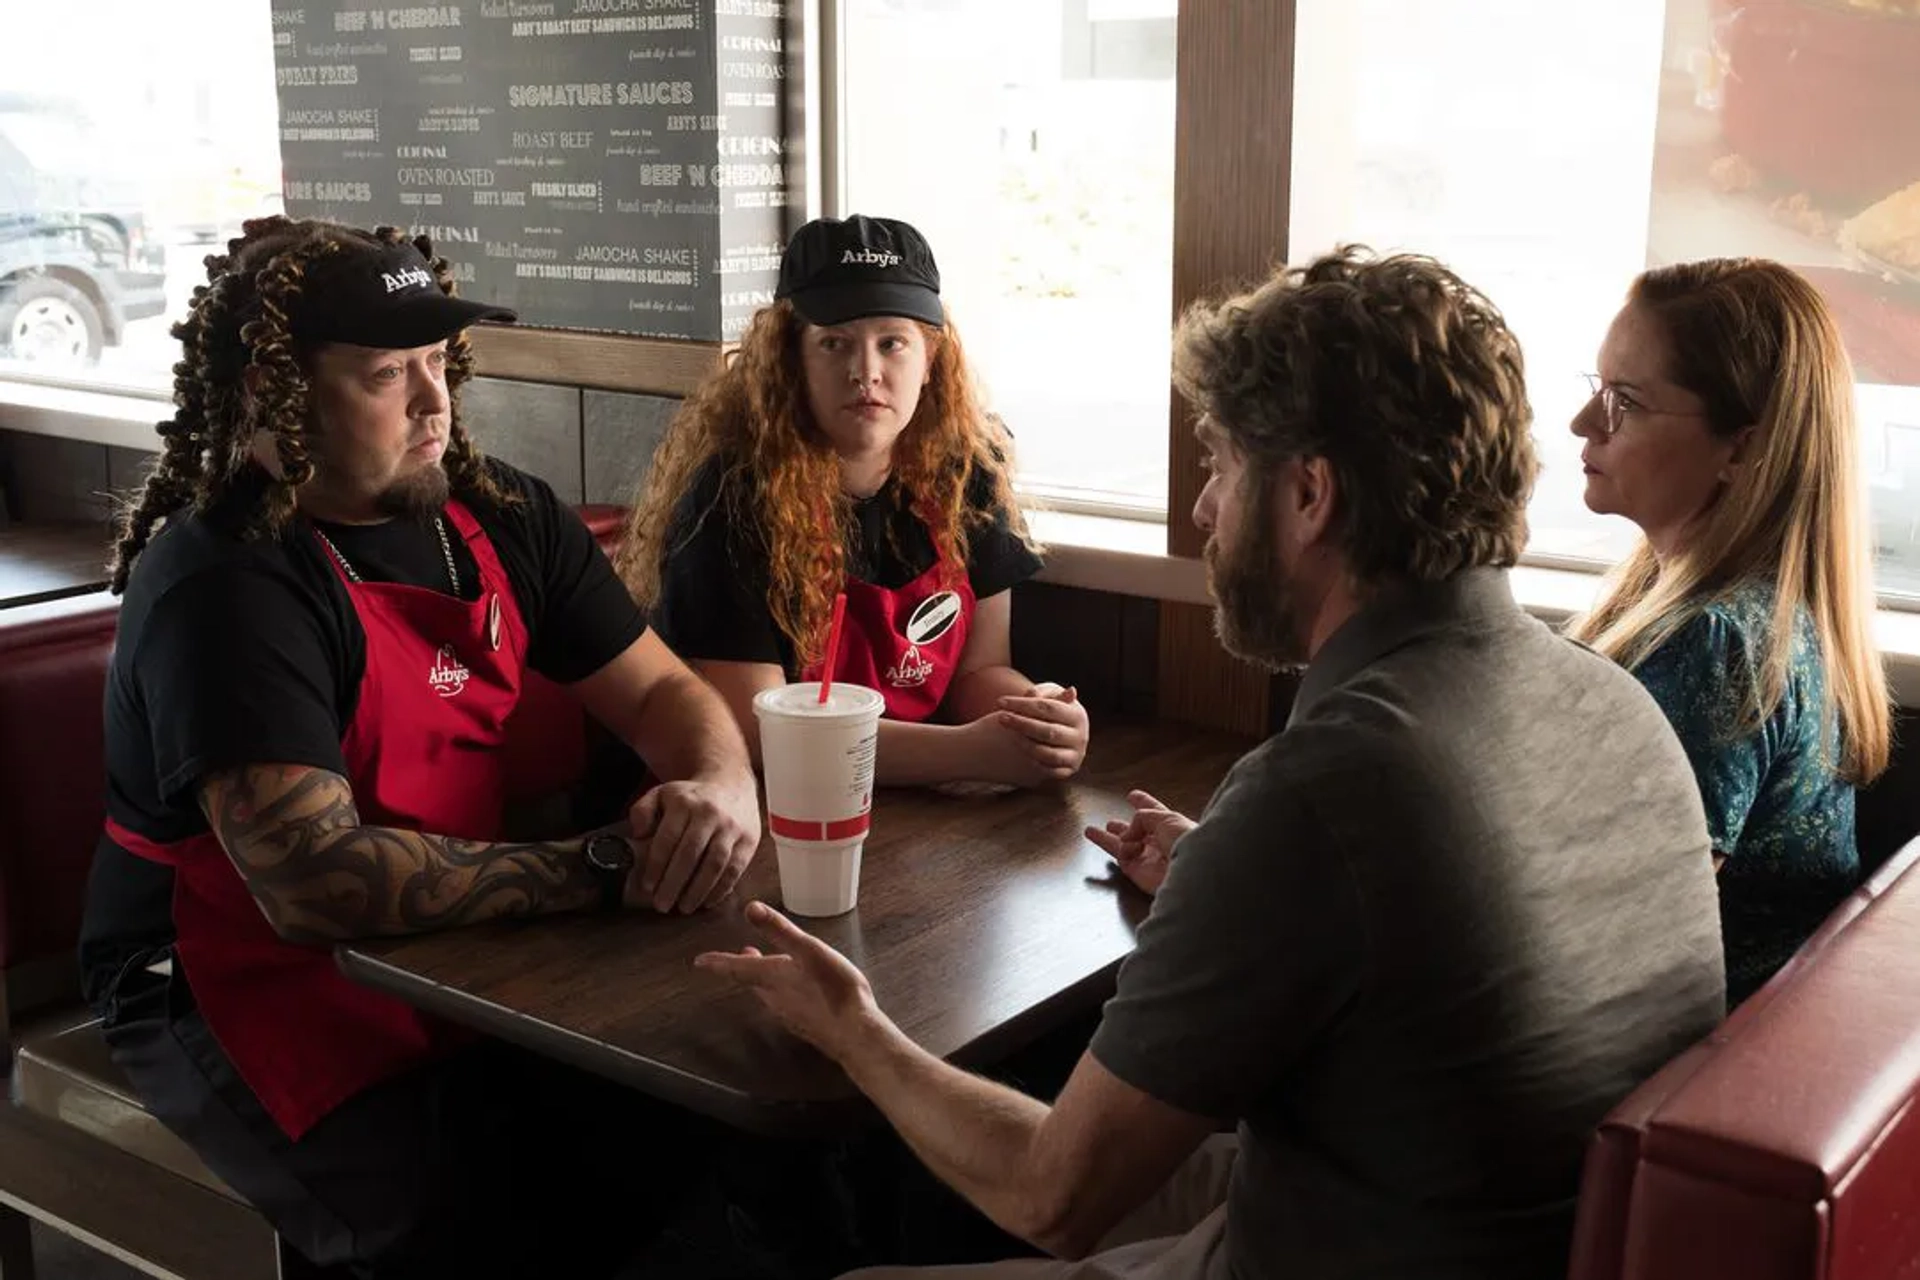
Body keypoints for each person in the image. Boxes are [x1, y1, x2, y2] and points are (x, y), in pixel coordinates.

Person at [696, 248, 1728, 1280]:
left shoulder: (1322, 792)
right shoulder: (1618, 706)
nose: (1203, 511)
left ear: (1310, 493)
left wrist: (854, 1029)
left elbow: (1051, 1193)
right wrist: (1217, 868)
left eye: (1225, 468)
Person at [80, 217, 762, 1278]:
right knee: (456, 1224)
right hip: (222, 971)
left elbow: (668, 690)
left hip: (456, 941)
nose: (435, 401)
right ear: (272, 393)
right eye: (386, 372)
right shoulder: (226, 582)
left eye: (439, 363)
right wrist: (612, 864)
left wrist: (722, 781)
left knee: (682, 1140)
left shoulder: (501, 516)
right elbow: (318, 885)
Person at [616, 214, 1090, 789]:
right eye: (834, 343)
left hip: (918, 821)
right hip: (759, 813)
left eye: (892, 343)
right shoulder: (730, 498)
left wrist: (1037, 715)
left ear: (931, 357)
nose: (866, 372)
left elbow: (981, 673)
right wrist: (970, 755)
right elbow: (757, 731)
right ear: (792, 359)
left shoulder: (971, 473)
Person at [1568, 258, 1893, 1006]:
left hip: (1671, 1064)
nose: (1585, 424)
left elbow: (1617, 936)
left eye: (1625, 401)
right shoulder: (1729, 606)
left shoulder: (1718, 645)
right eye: (1596, 388)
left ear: (1742, 449)